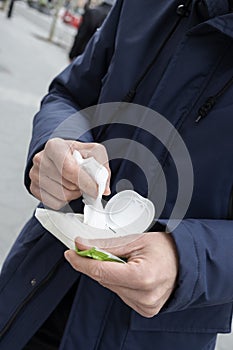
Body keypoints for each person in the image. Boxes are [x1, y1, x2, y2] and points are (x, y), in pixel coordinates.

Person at [1, 0, 233, 349]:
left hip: (153, 333)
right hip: (33, 288)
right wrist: (59, 143)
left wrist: (190, 259)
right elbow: (70, 94)